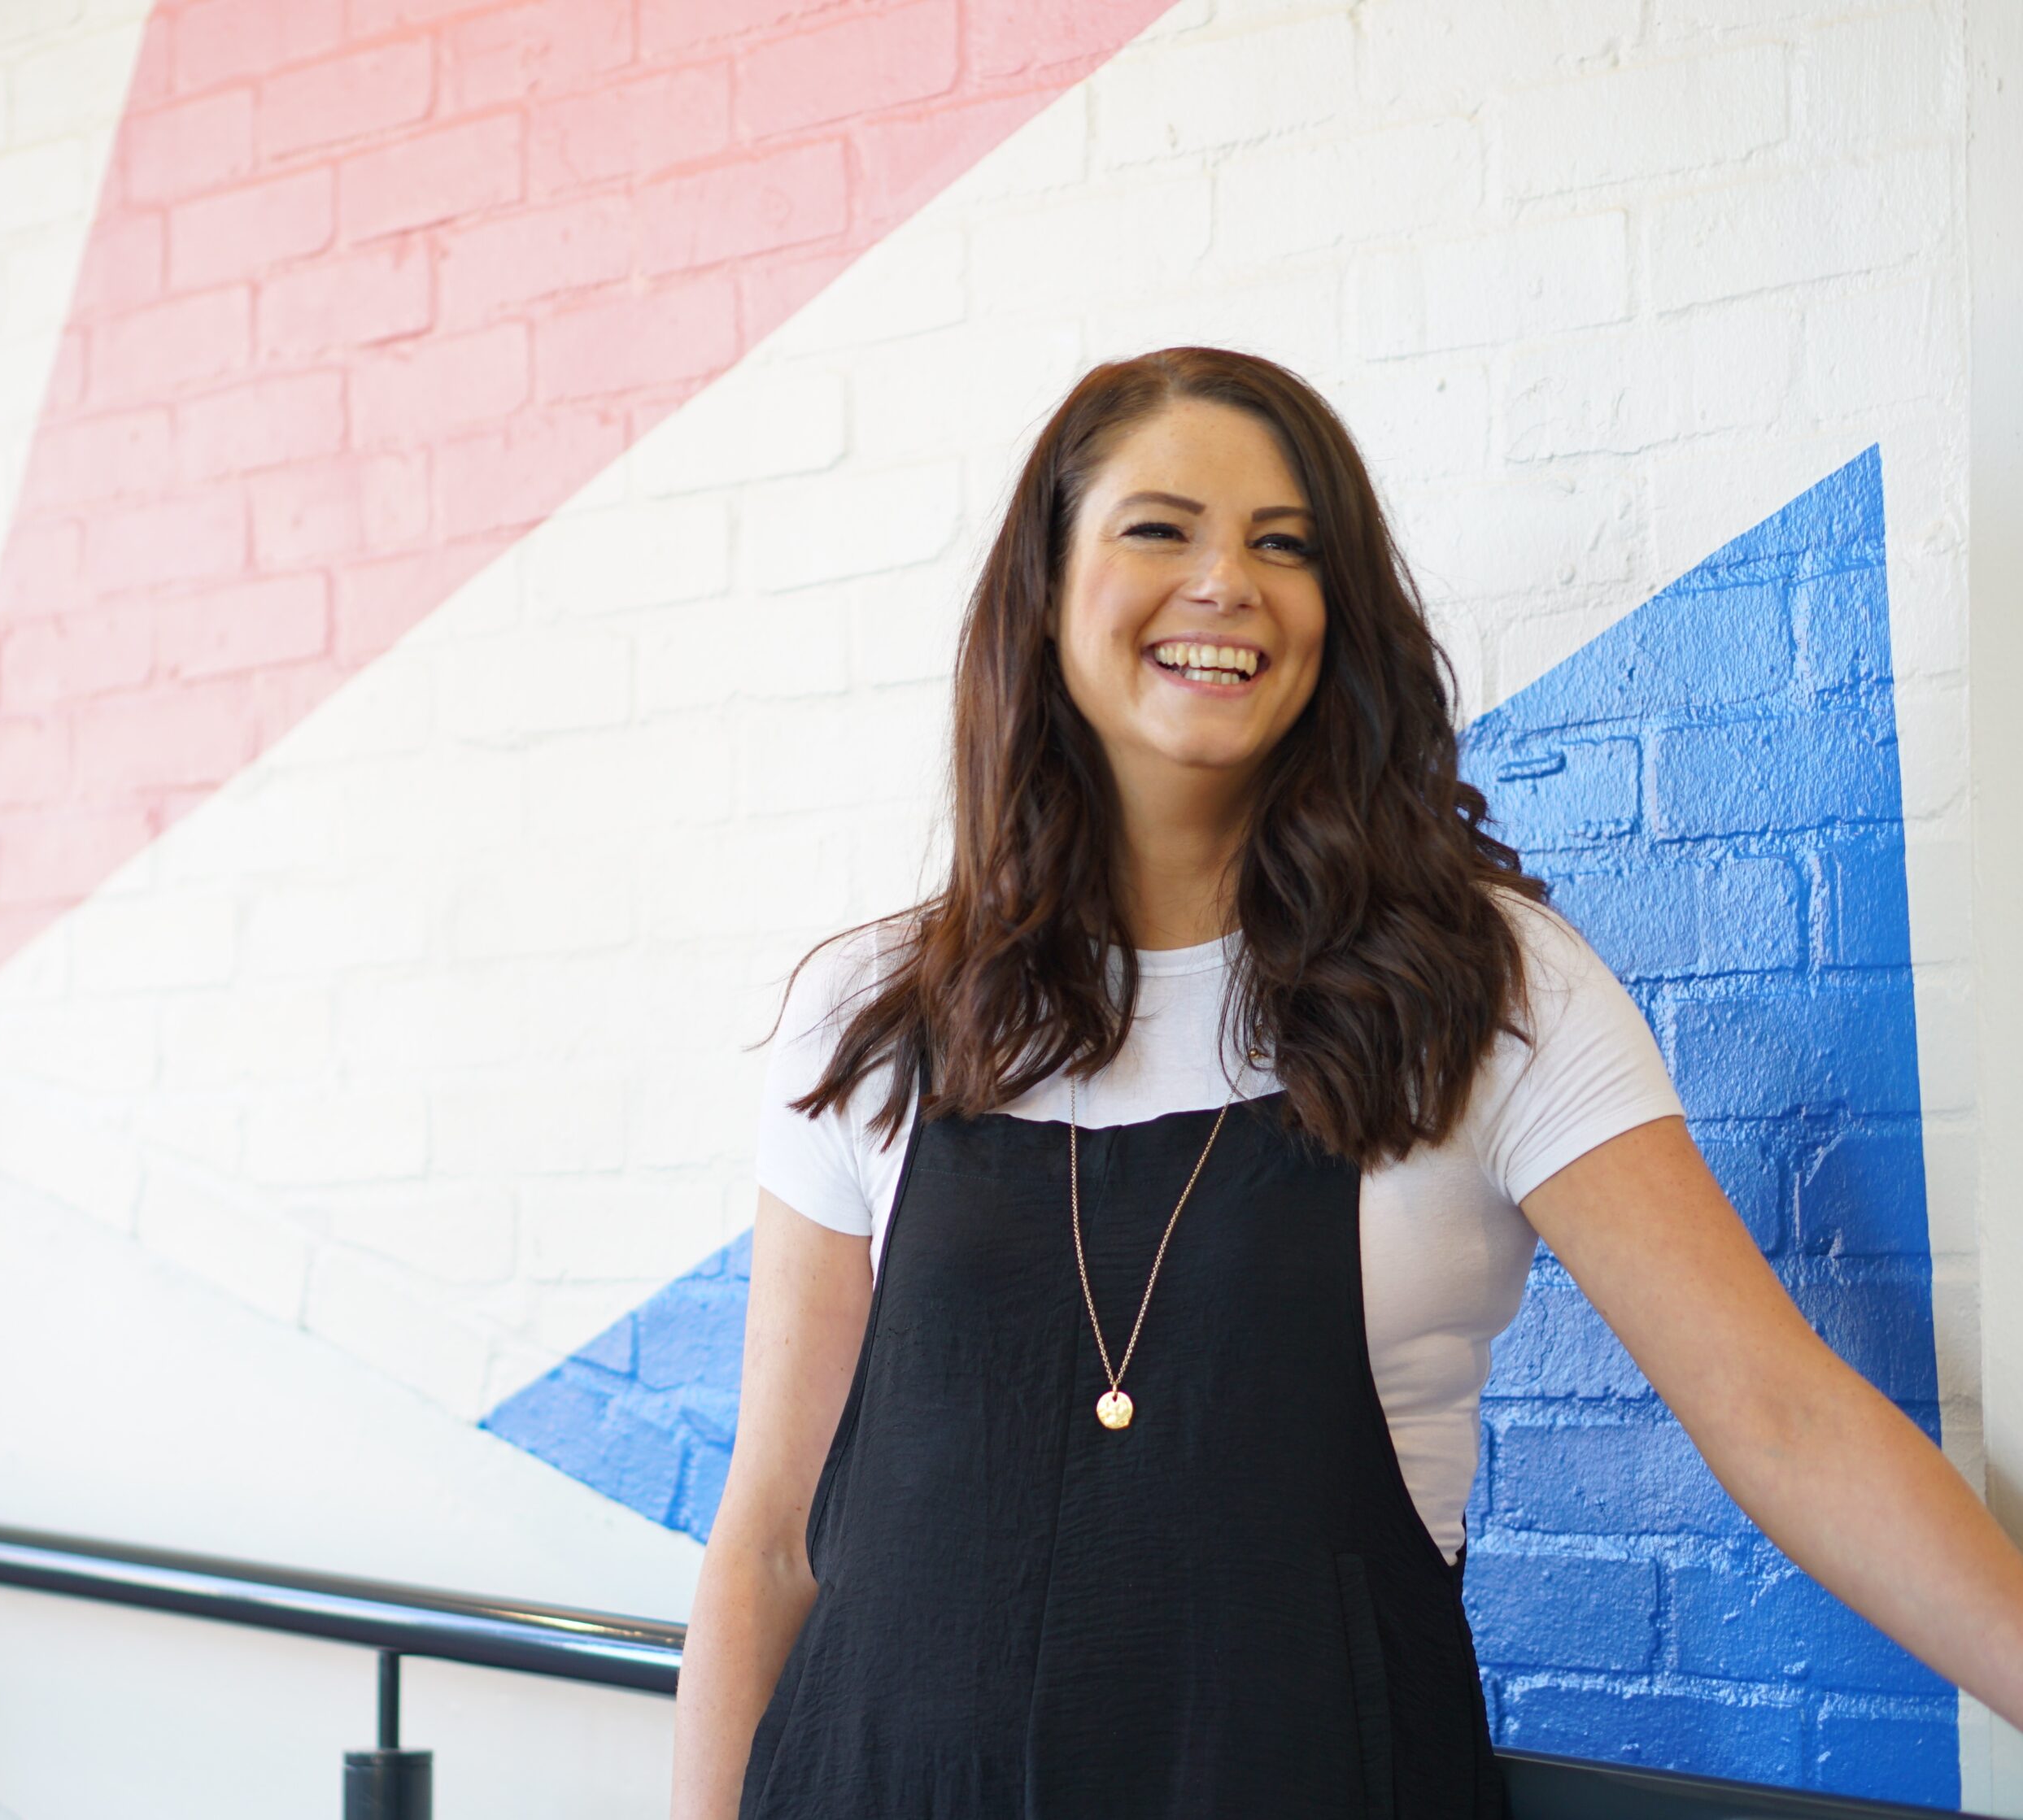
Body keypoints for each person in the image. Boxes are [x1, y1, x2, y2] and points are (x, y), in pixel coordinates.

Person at [670, 346, 2023, 1818]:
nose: (1226, 581)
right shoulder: (874, 1015)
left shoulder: (1488, 991)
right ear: (1045, 593)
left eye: (1285, 544)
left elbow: (1784, 1416)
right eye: (1161, 528)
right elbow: (772, 1540)